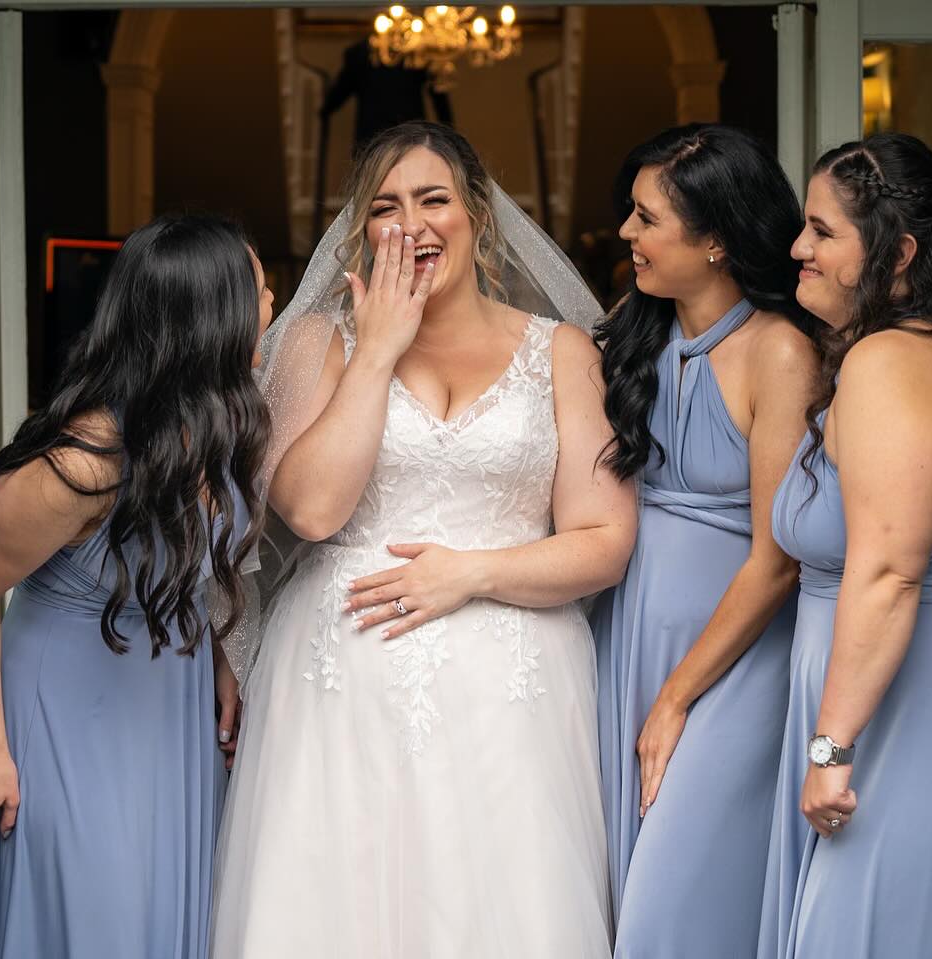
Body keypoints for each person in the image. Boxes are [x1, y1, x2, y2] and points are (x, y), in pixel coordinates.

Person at [210, 121, 634, 958]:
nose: (411, 224)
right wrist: (376, 353)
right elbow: (311, 510)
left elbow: (605, 537)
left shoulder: (564, 354)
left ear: (477, 213)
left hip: (512, 691)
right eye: (385, 207)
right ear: (360, 231)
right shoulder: (317, 340)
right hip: (343, 685)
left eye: (434, 199)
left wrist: (472, 574)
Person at [0, 215, 273, 959]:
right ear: (210, 319)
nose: (270, 304)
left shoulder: (221, 427)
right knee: (101, 921)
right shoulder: (84, 464)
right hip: (71, 720)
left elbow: (196, 569)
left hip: (171, 716)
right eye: (257, 290)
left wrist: (222, 656)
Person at [759, 132, 932, 957]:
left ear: (898, 253)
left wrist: (832, 746)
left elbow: (885, 571)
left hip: (917, 705)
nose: (798, 247)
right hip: (890, 697)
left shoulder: (891, 363)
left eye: (822, 231)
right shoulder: (888, 354)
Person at [591, 124, 819, 956]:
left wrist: (678, 695)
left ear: (716, 239)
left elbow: (779, 555)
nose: (627, 233)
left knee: (671, 900)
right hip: (627, 637)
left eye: (647, 219)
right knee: (622, 880)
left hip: (730, 659)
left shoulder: (780, 352)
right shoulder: (635, 333)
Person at [320, 37, 454, 153]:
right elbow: (438, 94)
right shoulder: (416, 50)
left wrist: (322, 111)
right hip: (391, 134)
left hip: (386, 134)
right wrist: (449, 136)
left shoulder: (360, 53)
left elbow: (338, 95)